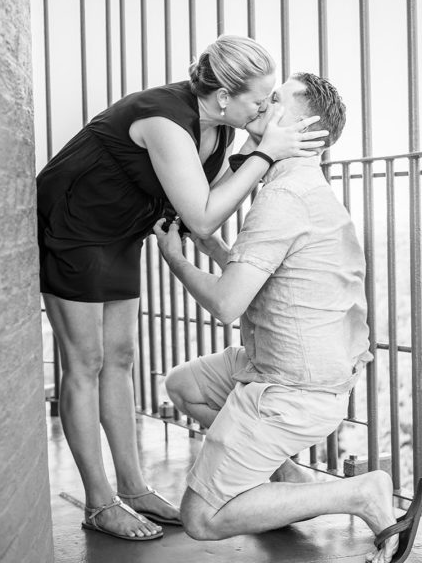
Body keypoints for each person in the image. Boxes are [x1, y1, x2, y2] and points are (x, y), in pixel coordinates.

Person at [36, 35, 329, 541]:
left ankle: (133, 488)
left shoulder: (217, 130)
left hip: (122, 234)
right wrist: (263, 154)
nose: (266, 108)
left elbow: (200, 210)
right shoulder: (165, 119)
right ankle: (99, 502)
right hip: (74, 230)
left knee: (121, 358)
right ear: (222, 97)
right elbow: (201, 214)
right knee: (85, 362)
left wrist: (252, 152)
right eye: (259, 100)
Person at [154, 72, 422, 562]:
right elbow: (274, 282)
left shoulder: (284, 197)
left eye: (274, 99)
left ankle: (359, 493)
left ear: (305, 129)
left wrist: (177, 261)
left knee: (201, 518)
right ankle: (289, 480)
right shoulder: (296, 187)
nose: (260, 102)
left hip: (292, 389)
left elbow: (226, 305)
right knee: (184, 386)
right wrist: (214, 246)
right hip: (276, 366)